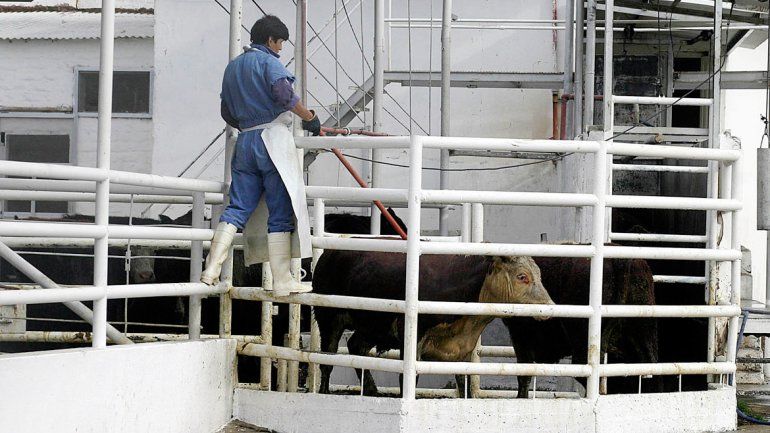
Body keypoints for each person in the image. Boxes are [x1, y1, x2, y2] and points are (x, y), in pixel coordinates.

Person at [201, 14, 320, 297]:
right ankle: (282, 280)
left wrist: (248, 122)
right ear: (270, 40)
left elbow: (226, 112)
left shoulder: (233, 68)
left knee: (237, 208)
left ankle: (210, 270)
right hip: (272, 141)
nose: (281, 49)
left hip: (245, 142)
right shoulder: (269, 63)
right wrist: (310, 117)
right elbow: (284, 96)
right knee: (279, 210)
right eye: (280, 43)